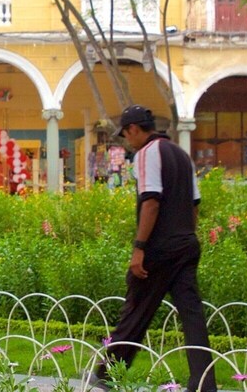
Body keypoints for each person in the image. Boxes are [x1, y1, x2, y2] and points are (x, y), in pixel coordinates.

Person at [92, 105, 217, 392]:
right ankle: (204, 383)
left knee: (136, 309)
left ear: (134, 129)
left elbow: (151, 201)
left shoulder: (147, 153)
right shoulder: (182, 155)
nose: (127, 140)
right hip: (186, 244)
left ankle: (107, 374)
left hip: (159, 249)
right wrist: (185, 236)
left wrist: (140, 248)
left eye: (126, 134)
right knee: (192, 317)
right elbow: (194, 205)